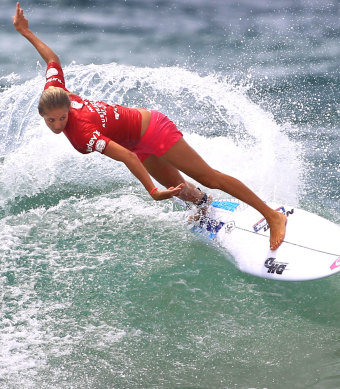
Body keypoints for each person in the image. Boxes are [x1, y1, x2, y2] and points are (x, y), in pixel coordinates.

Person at [12, 2, 287, 250]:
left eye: (62, 117)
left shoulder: (82, 134)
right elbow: (52, 60)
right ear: (43, 112)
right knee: (180, 188)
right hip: (136, 141)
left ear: (68, 106)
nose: (59, 124)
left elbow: (127, 157)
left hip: (152, 130)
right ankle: (205, 205)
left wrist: (152, 192)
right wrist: (25, 32)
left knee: (208, 177)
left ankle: (272, 215)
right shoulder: (54, 90)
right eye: (52, 120)